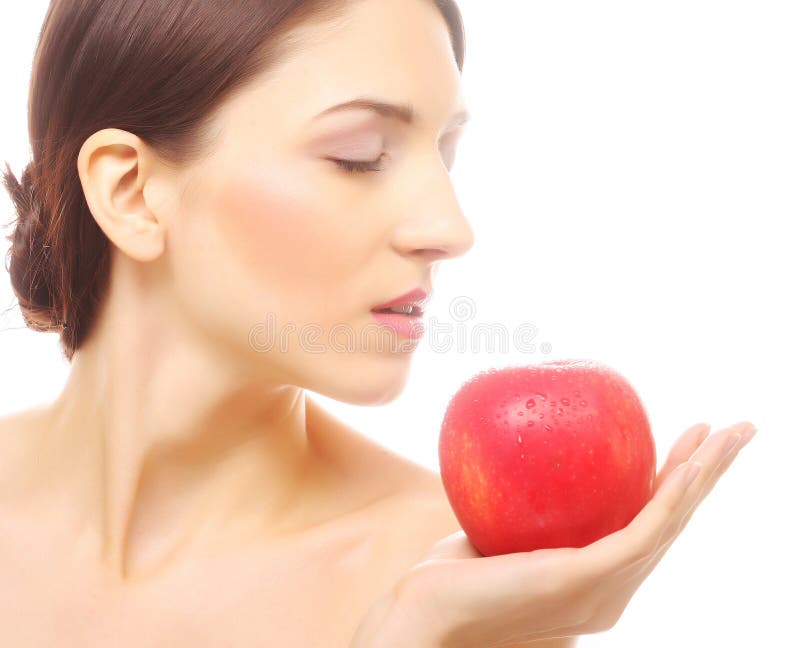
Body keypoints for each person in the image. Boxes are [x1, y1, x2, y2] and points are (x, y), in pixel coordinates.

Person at [0, 0, 757, 646]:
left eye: (445, 155)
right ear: (132, 193)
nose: (451, 228)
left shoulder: (465, 582)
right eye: (359, 156)